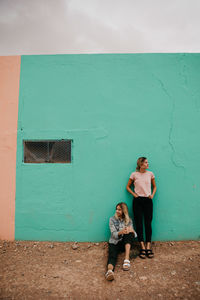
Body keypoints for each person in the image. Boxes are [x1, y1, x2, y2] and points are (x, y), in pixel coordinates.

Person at [126, 157, 157, 259]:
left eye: (148, 162)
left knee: (148, 223)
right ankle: (142, 246)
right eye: (146, 162)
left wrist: (152, 194)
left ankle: (148, 246)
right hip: (137, 201)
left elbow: (155, 186)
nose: (148, 164)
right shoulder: (134, 174)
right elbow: (127, 187)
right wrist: (134, 195)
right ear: (141, 164)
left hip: (148, 201)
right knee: (139, 223)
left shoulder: (150, 174)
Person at [105, 202, 137, 281]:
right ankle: (109, 272)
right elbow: (113, 234)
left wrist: (131, 230)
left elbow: (135, 235)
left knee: (129, 234)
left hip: (125, 243)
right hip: (114, 242)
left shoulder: (129, 220)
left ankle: (126, 260)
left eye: (119, 210)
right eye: (116, 209)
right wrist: (121, 232)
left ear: (124, 211)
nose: (117, 211)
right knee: (112, 256)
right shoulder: (112, 219)